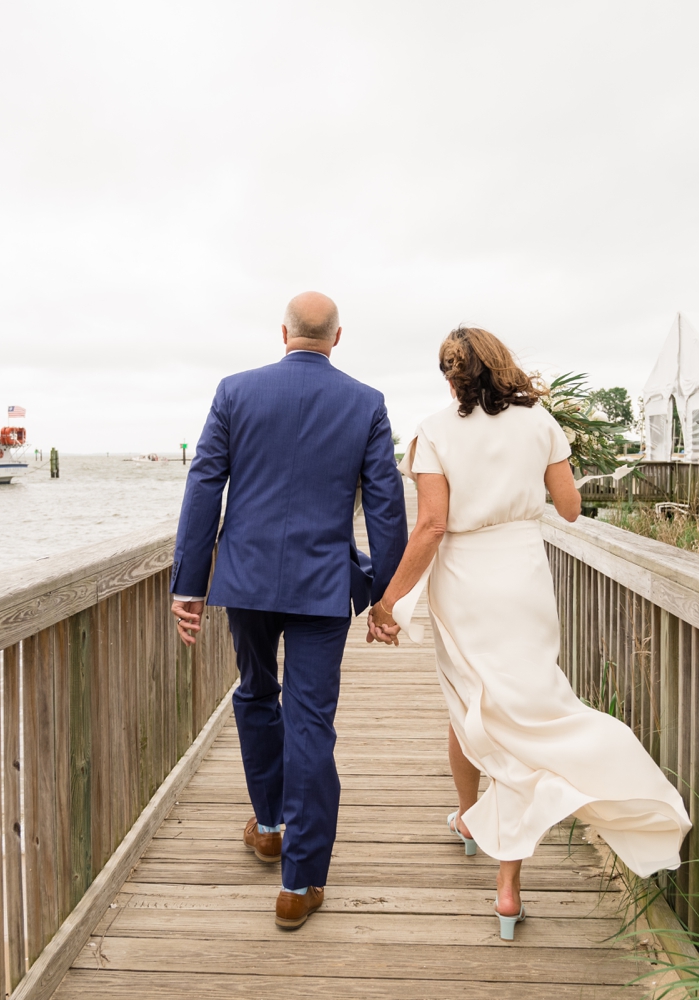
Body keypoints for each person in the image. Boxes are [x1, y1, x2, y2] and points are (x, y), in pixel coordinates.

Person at [367, 326, 690, 940]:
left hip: (463, 580)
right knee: (528, 704)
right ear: (500, 366)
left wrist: (389, 602)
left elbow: (431, 527)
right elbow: (568, 509)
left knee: (473, 704)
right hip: (522, 574)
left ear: (450, 375)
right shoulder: (540, 423)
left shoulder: (432, 431)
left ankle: (472, 819)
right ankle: (505, 880)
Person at [170, 291, 408, 930]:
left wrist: (188, 586)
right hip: (323, 587)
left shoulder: (234, 391)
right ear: (336, 337)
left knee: (254, 693)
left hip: (245, 581)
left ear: (283, 334)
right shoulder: (366, 403)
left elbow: (203, 487)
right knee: (310, 720)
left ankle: (270, 823)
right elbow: (387, 510)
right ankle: (299, 883)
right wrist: (383, 598)